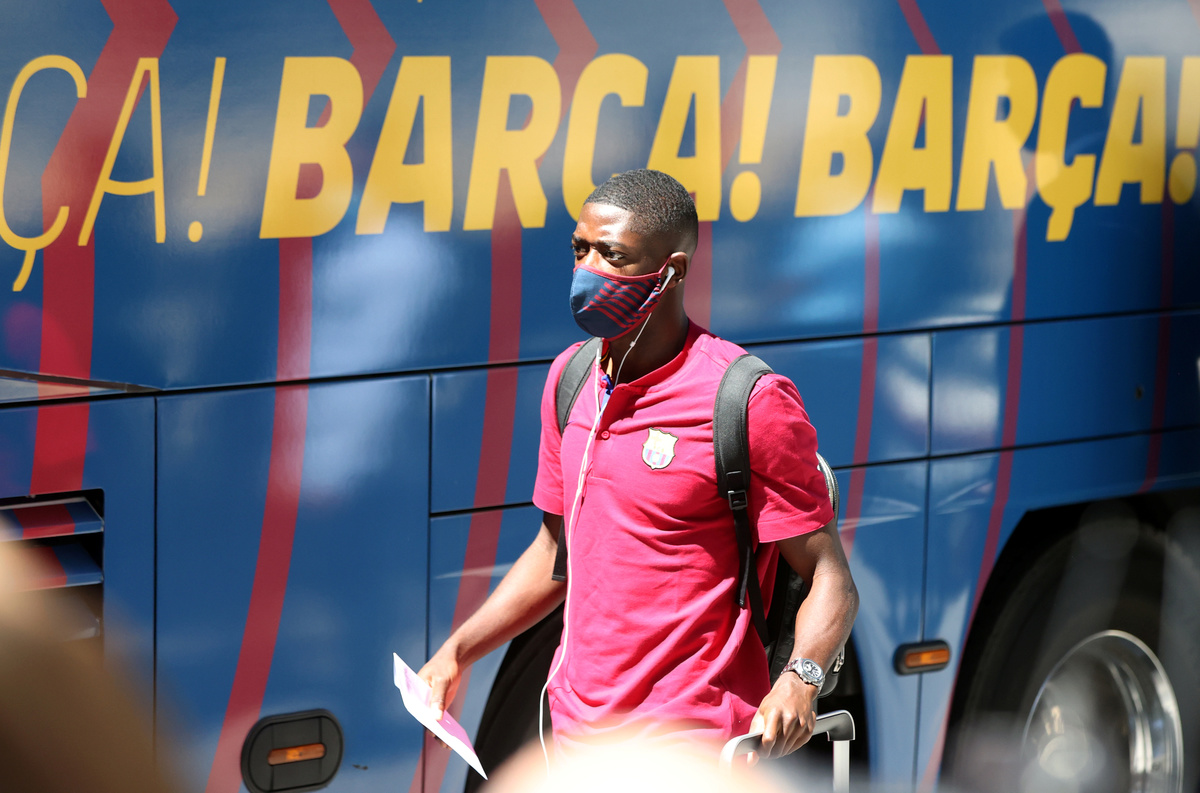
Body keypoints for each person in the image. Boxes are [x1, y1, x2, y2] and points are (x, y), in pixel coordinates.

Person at [419, 169, 858, 761]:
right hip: (573, 735)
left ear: (672, 270)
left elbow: (830, 576)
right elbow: (555, 553)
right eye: (580, 249)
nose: (587, 271)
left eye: (613, 255)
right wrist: (458, 651)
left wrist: (800, 680)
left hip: (690, 745)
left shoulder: (749, 400)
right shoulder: (572, 378)